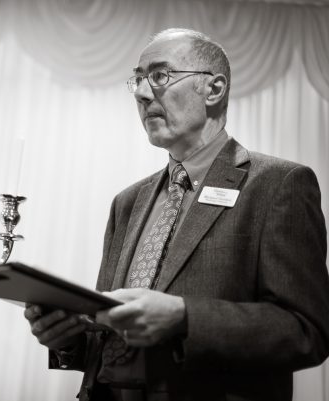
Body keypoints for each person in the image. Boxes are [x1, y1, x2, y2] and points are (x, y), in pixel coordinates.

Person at [24, 28, 329, 401]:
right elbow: (109, 343)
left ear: (213, 90)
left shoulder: (279, 185)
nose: (140, 91)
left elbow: (305, 332)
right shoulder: (127, 202)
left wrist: (184, 318)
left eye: (159, 75)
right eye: (138, 78)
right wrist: (70, 338)